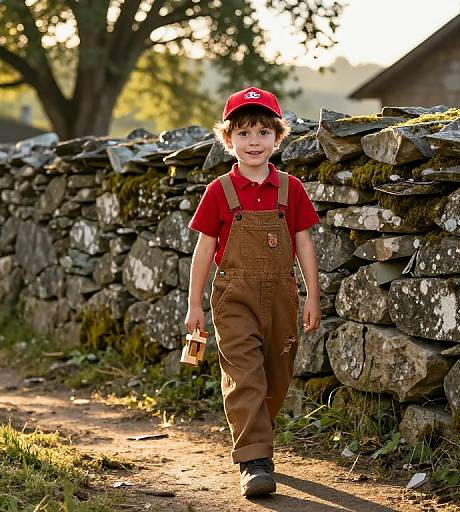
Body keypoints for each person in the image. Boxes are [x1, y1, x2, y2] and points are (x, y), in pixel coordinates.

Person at [185, 86, 321, 497]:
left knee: (275, 379)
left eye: (263, 132)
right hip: (234, 299)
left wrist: (313, 295)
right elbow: (204, 249)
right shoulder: (219, 191)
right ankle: (254, 460)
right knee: (245, 377)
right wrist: (194, 306)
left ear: (278, 137)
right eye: (244, 133)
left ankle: (258, 436)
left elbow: (304, 244)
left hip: (282, 295)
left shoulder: (290, 189)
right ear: (228, 140)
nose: (254, 141)